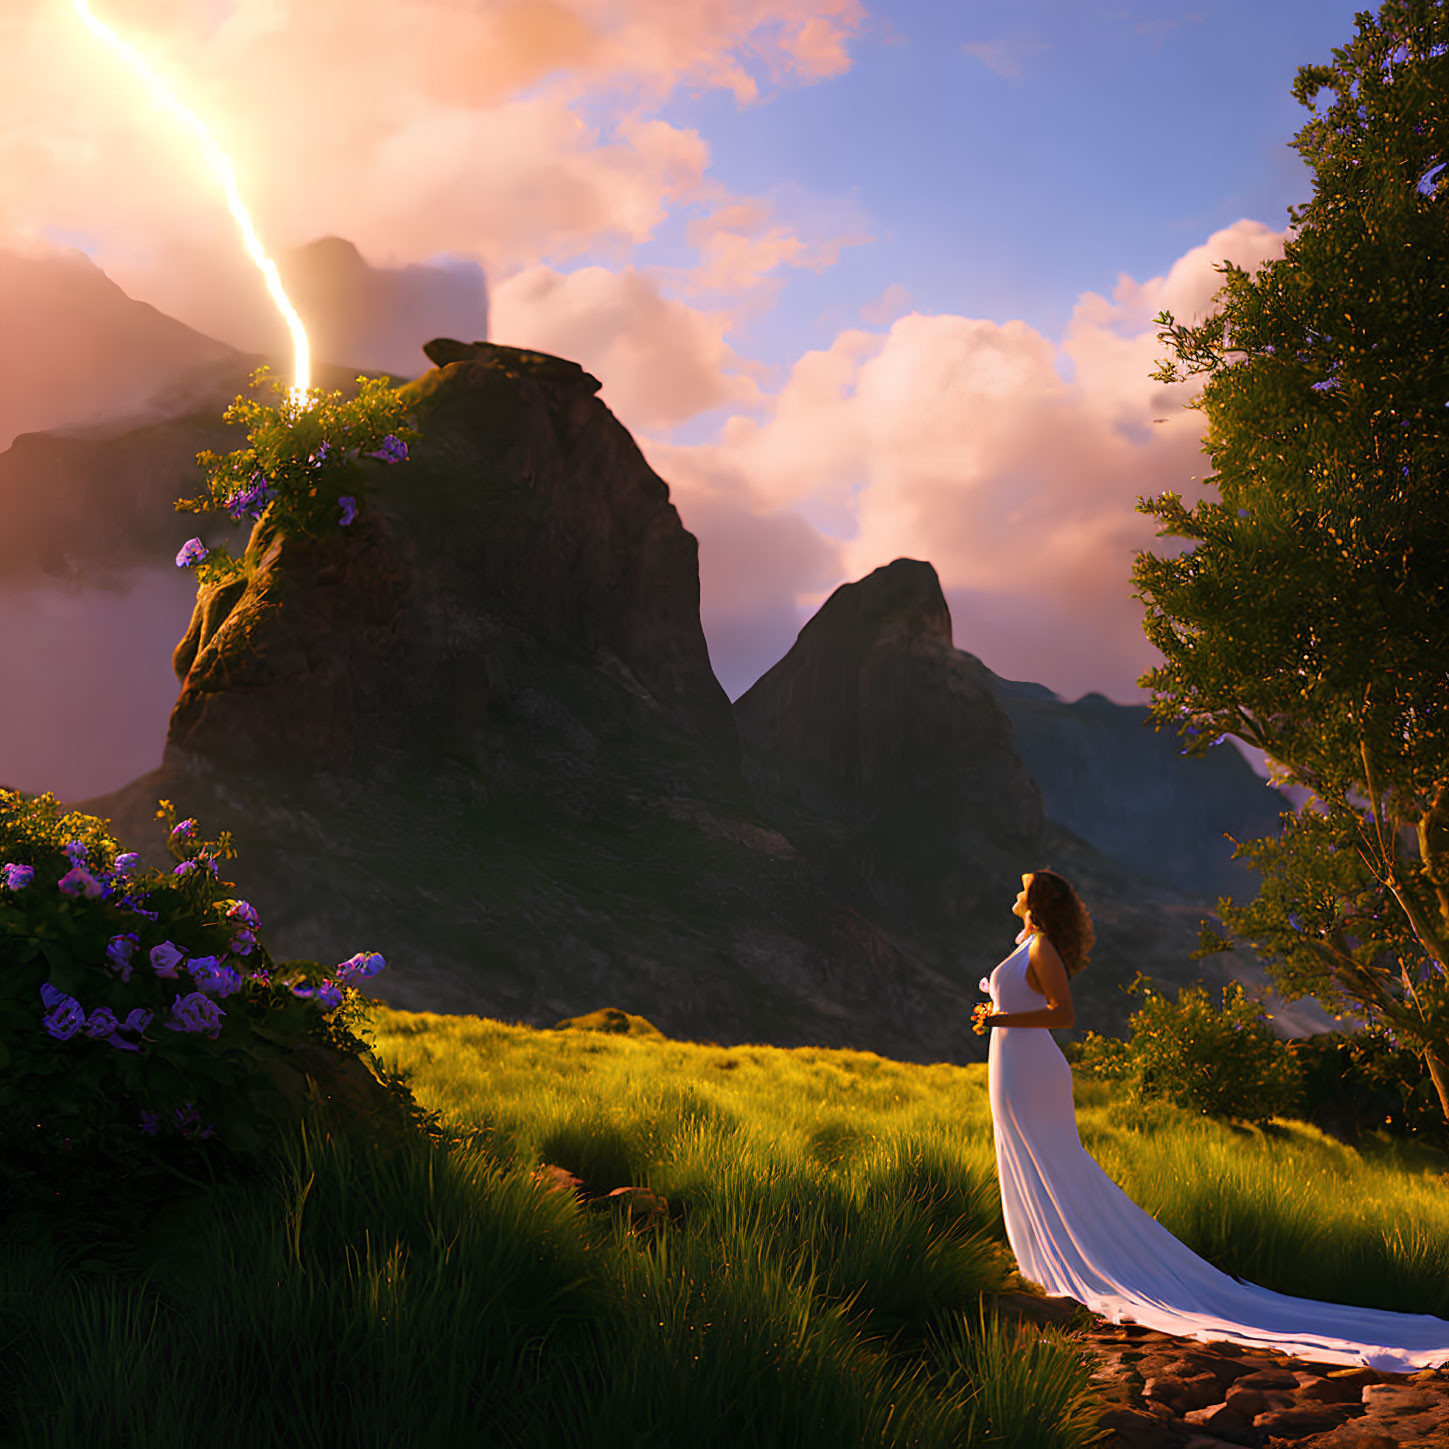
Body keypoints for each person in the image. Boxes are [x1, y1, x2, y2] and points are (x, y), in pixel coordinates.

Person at [973, 868, 1449, 1370]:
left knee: (1051, 1159)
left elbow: (1062, 1014)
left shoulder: (1042, 947)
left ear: (1039, 900)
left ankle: (1071, 1260)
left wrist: (999, 1018)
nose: (1016, 890)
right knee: (1024, 1153)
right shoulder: (1028, 942)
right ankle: (1044, 1256)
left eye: (1023, 885)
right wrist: (998, 1014)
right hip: (1013, 1063)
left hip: (1031, 1067)